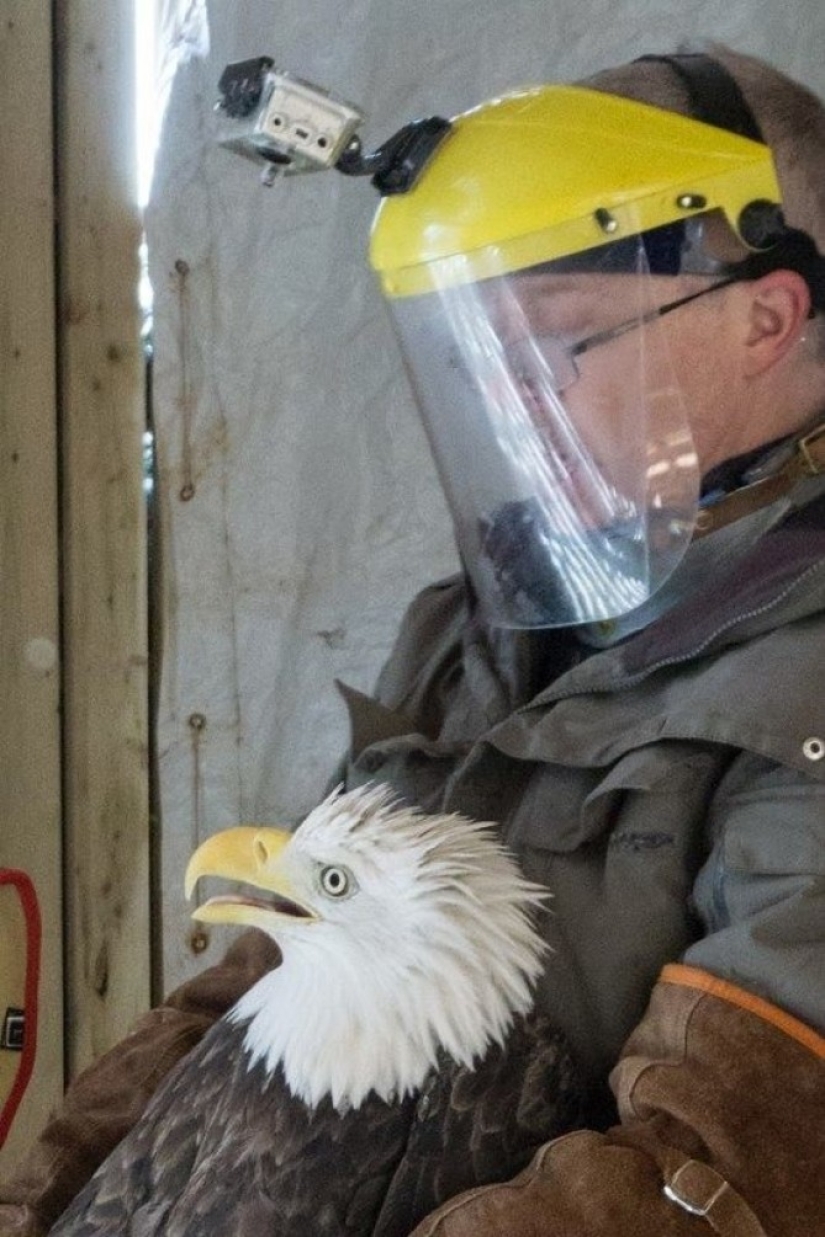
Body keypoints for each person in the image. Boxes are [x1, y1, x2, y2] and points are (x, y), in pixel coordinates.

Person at [3, 42, 825, 1236]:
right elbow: (279, 976)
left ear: (767, 316)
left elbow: (734, 1163)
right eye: (487, 363)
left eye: (559, 345)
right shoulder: (474, 628)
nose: (518, 408)